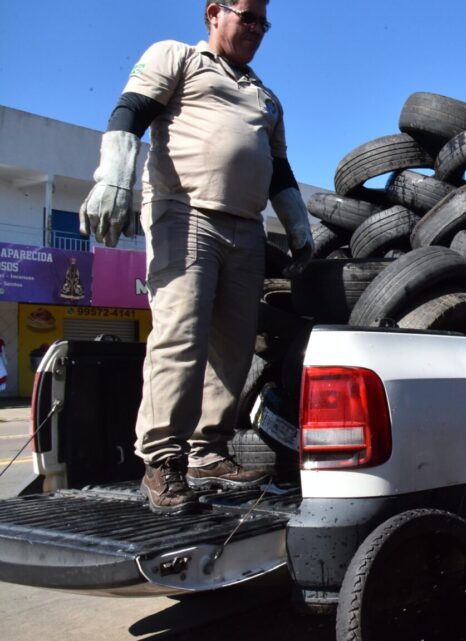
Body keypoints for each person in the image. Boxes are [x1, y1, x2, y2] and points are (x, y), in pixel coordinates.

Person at [78, 0, 313, 514]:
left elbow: (279, 169)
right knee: (181, 336)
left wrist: (299, 228)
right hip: (185, 214)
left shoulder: (265, 97)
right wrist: (113, 177)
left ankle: (208, 452)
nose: (255, 29)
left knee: (232, 348)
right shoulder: (177, 57)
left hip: (246, 228)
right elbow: (129, 113)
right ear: (213, 12)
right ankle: (162, 460)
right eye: (246, 16)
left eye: (262, 22)